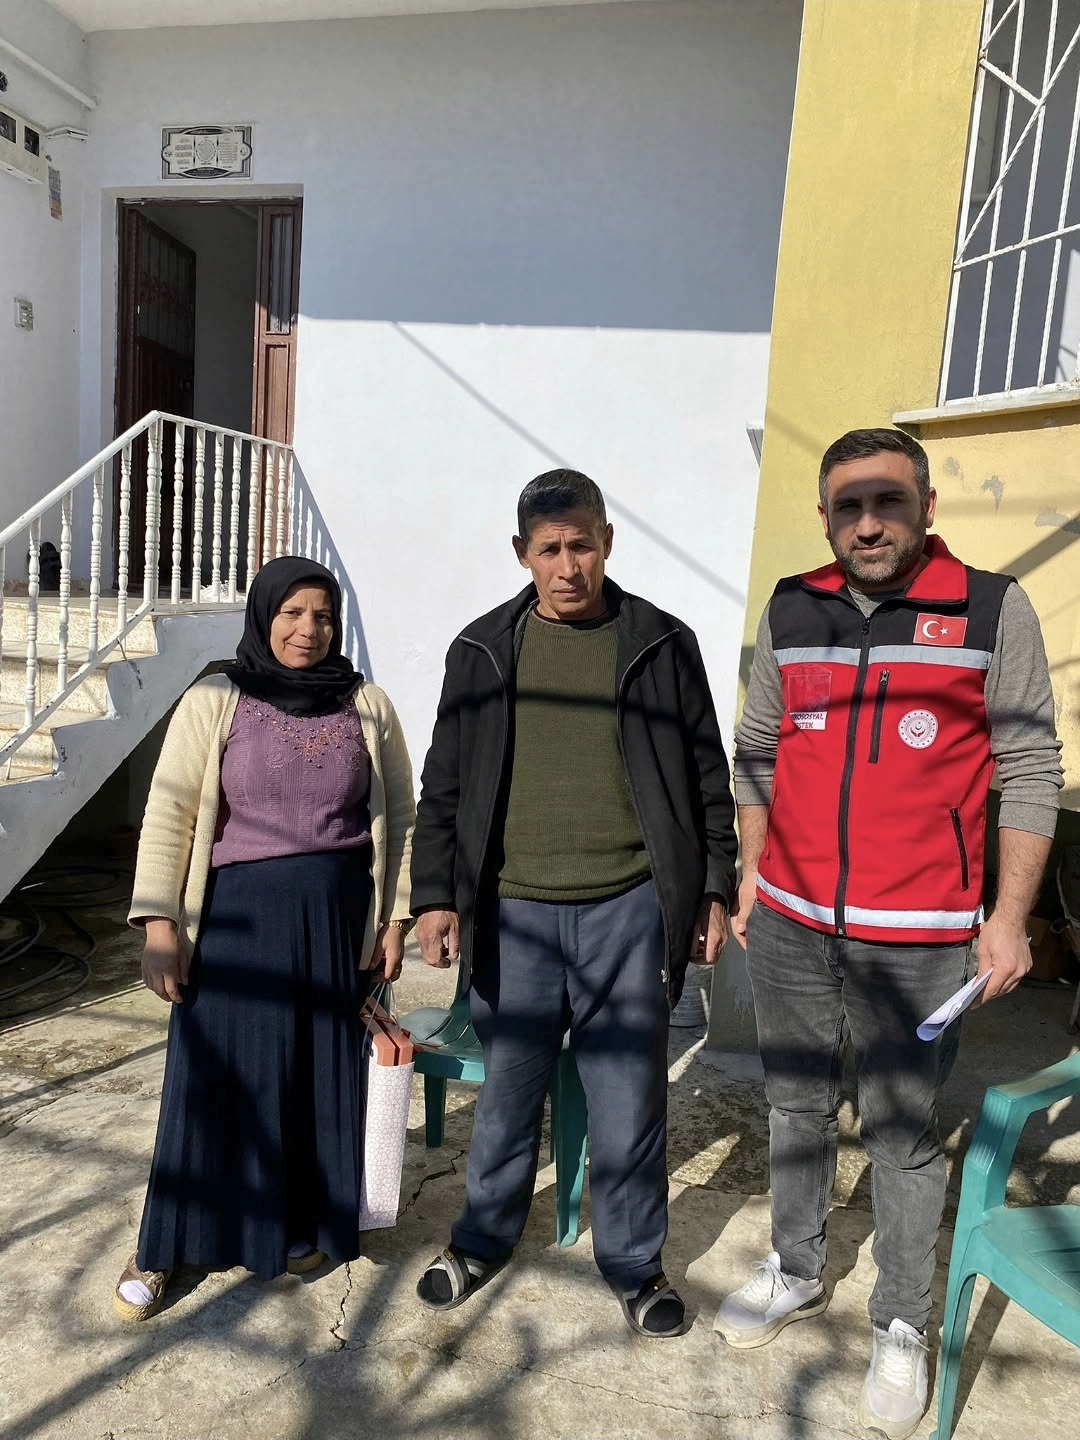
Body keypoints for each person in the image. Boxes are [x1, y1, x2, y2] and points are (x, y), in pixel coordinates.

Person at [715, 429, 1063, 1437]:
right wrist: (752, 872)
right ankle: (795, 1268)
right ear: (827, 516)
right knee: (794, 1105)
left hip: (921, 938)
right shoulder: (794, 605)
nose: (868, 525)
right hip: (792, 923)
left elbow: (1029, 770)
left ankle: (902, 1319)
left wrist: (1008, 920)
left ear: (926, 507)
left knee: (904, 1134)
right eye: (848, 507)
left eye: (888, 503)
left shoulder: (990, 609)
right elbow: (759, 751)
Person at [409, 468, 738, 1338]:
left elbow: (707, 776)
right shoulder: (482, 649)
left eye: (582, 545)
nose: (568, 566)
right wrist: (434, 896)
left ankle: (635, 1266)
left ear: (607, 542)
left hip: (629, 910)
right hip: (512, 914)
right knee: (508, 1097)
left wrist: (713, 886)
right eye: (550, 549)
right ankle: (482, 1238)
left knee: (628, 1101)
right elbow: (443, 785)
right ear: (522, 554)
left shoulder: (661, 643)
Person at [113, 557, 415, 1321]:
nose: (308, 630)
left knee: (307, 1083)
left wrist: (395, 921)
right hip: (236, 926)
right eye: (292, 613)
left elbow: (404, 821)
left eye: (323, 616)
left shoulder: (367, 705)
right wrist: (159, 924)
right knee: (211, 1084)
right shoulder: (216, 700)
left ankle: (286, 1225)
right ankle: (161, 1249)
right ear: (263, 616)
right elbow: (170, 813)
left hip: (334, 926)